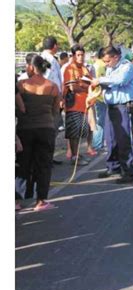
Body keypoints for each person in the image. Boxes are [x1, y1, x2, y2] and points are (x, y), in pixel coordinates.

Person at [16, 54, 60, 211]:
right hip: (46, 129)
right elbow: (56, 110)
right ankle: (41, 200)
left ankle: (16, 200)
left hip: (24, 129)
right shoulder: (53, 86)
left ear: (31, 67)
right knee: (44, 165)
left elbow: (17, 107)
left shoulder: (21, 85)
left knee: (22, 164)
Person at [91, 46, 133, 184]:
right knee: (110, 139)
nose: (106, 64)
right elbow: (110, 83)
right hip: (111, 106)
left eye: (107, 61)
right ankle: (113, 166)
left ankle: (129, 171)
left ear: (115, 57)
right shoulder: (111, 67)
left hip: (123, 106)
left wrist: (100, 80)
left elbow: (120, 80)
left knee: (124, 140)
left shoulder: (126, 66)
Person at [62, 44, 93, 166]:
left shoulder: (85, 69)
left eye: (82, 55)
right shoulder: (70, 69)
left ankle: (77, 154)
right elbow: (73, 87)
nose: (81, 57)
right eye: (78, 55)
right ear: (73, 56)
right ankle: (75, 156)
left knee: (80, 132)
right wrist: (86, 87)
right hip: (73, 105)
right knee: (74, 133)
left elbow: (92, 83)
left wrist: (84, 86)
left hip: (84, 105)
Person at [41, 36, 63, 165]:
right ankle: (46, 157)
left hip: (52, 99)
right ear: (54, 46)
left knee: (53, 128)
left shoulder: (48, 58)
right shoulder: (48, 60)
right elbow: (49, 80)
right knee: (50, 129)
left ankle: (49, 155)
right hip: (50, 100)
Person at [91, 47, 107, 152]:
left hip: (97, 96)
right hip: (100, 97)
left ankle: (99, 143)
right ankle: (97, 144)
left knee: (100, 120)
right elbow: (102, 82)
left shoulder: (96, 65)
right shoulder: (101, 65)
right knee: (100, 121)